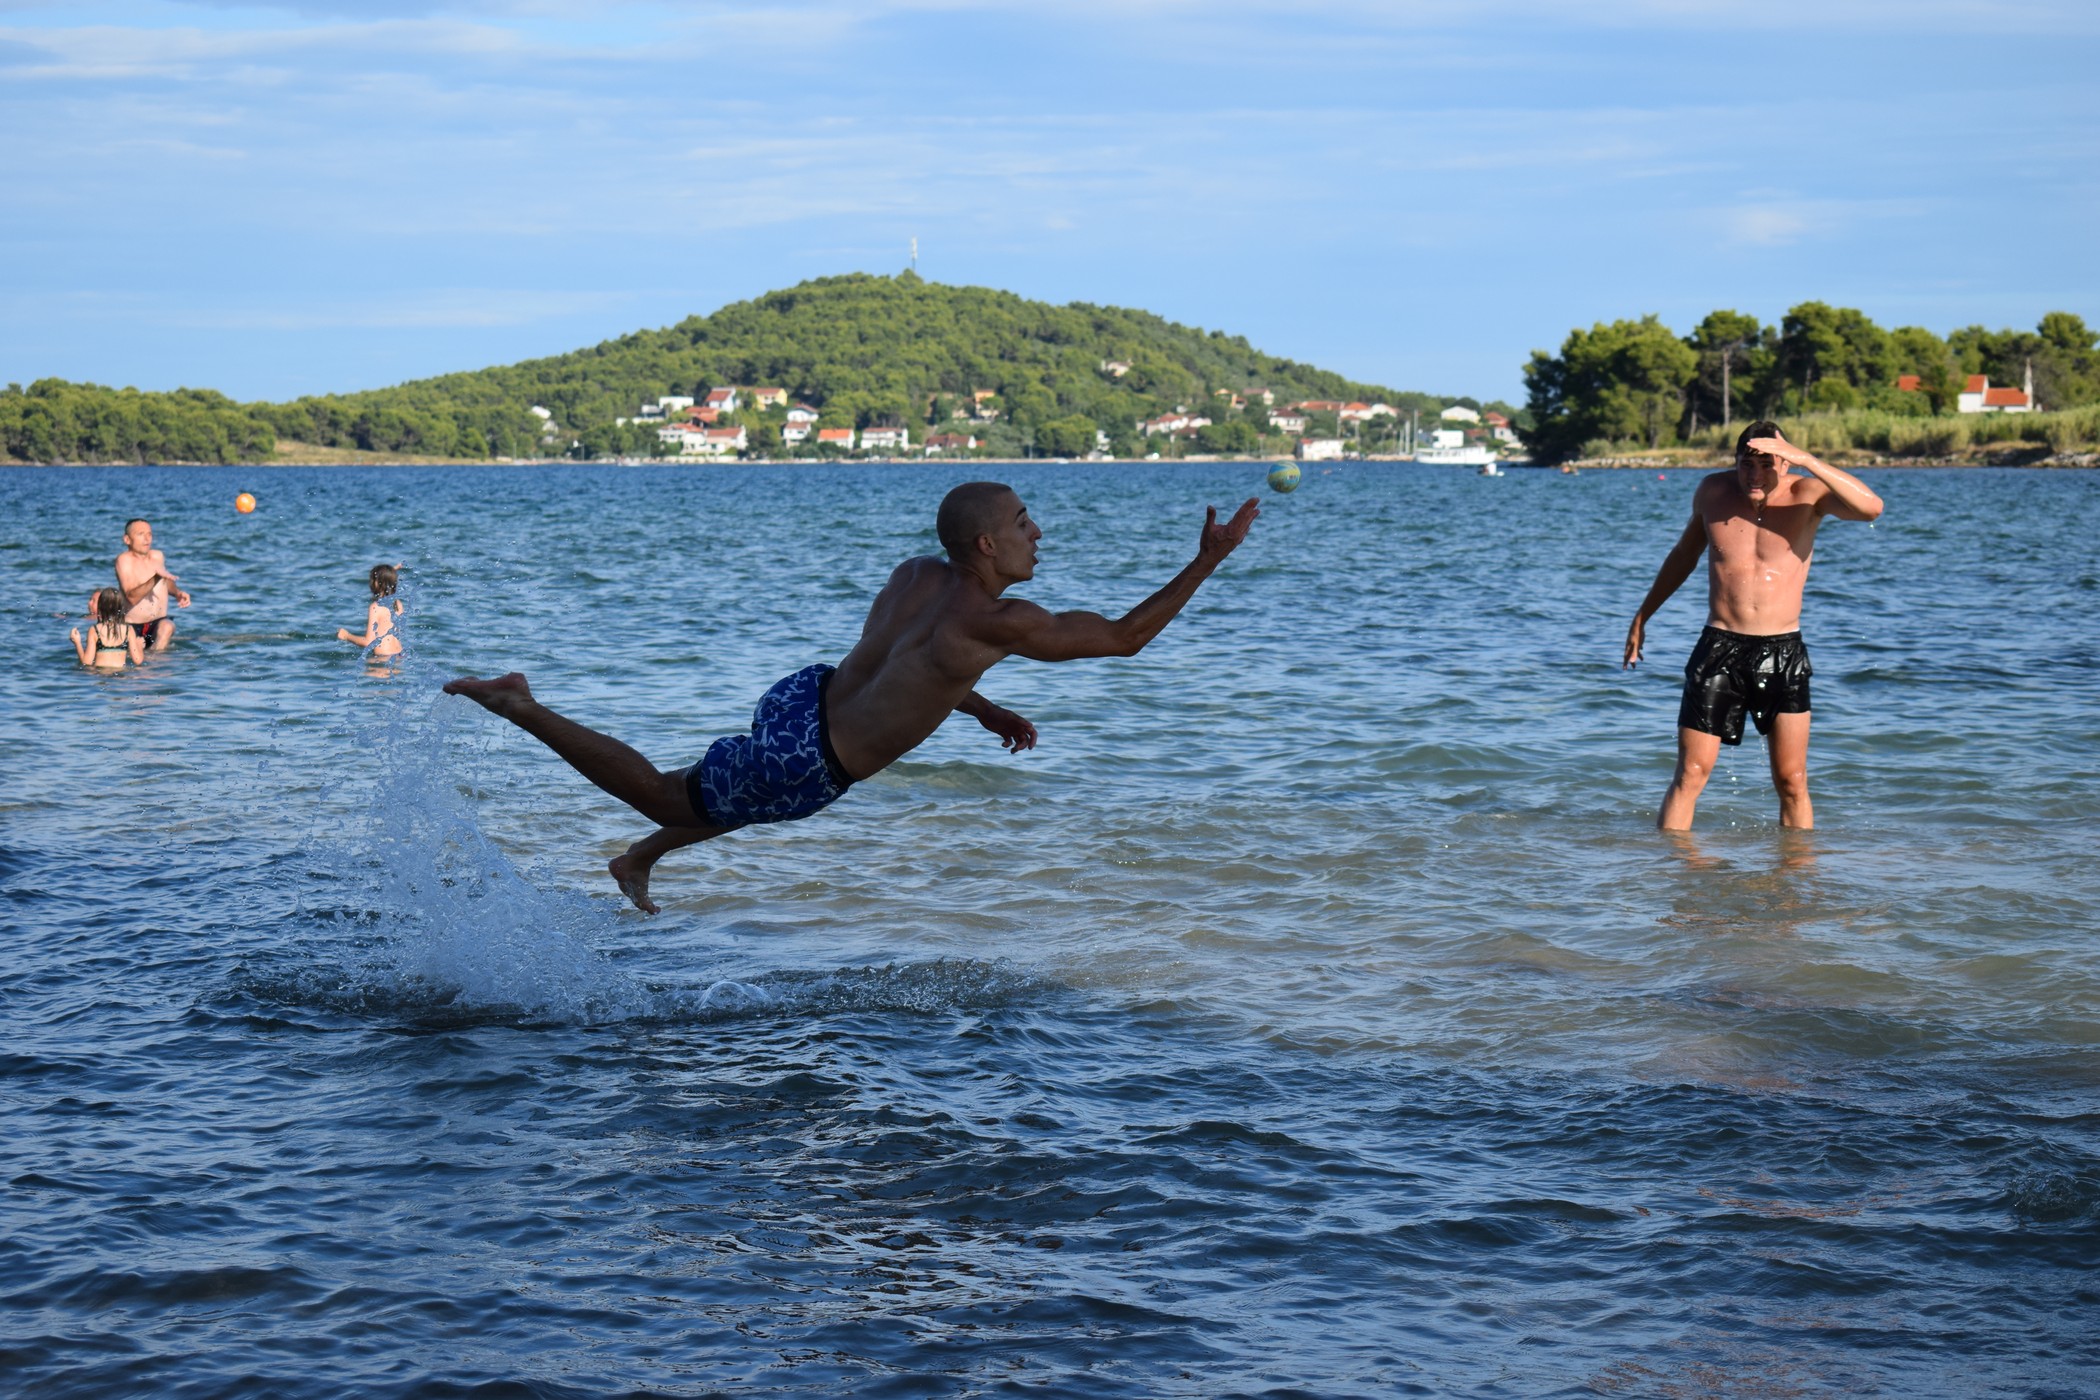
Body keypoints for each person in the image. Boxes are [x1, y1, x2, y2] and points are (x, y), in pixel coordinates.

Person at [446, 483, 1261, 913]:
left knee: (749, 796)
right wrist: (1210, 559)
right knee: (663, 791)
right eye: (1023, 522)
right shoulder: (1001, 622)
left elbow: (911, 669)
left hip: (803, 698)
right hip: (817, 756)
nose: (1037, 533)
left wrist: (982, 708)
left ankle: (640, 860)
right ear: (988, 544)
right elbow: (1124, 637)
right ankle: (524, 708)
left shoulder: (915, 576)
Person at [1623, 421, 1885, 830]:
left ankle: (1794, 870)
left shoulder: (1808, 494)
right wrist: (1643, 615)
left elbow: (1871, 507)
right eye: (1747, 464)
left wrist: (1808, 460)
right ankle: (1672, 867)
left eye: (1767, 464)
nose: (1755, 475)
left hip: (1783, 650)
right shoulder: (1713, 492)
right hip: (1719, 648)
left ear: (1785, 462)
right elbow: (1684, 555)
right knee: (1691, 774)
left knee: (1792, 781)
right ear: (1735, 462)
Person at [112, 518, 190, 651]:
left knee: (168, 626)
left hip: (158, 623)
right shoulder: (124, 560)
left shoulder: (157, 556)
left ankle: (155, 660)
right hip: (132, 626)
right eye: (141, 534)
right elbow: (131, 597)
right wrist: (156, 577)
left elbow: (165, 581)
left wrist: (177, 593)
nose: (147, 539)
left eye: (149, 534)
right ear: (127, 539)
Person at [337, 563, 405, 659]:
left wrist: (346, 636)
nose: (370, 583)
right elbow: (387, 581)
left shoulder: (375, 607)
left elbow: (368, 642)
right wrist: (391, 571)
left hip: (382, 658)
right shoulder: (398, 604)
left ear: (377, 583)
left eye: (372, 580)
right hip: (399, 655)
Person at [71, 587, 145, 669]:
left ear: (100, 606)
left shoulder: (95, 630)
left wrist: (77, 642)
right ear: (121, 607)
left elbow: (86, 662)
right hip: (121, 675)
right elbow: (138, 660)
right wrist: (139, 646)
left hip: (100, 674)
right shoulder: (128, 630)